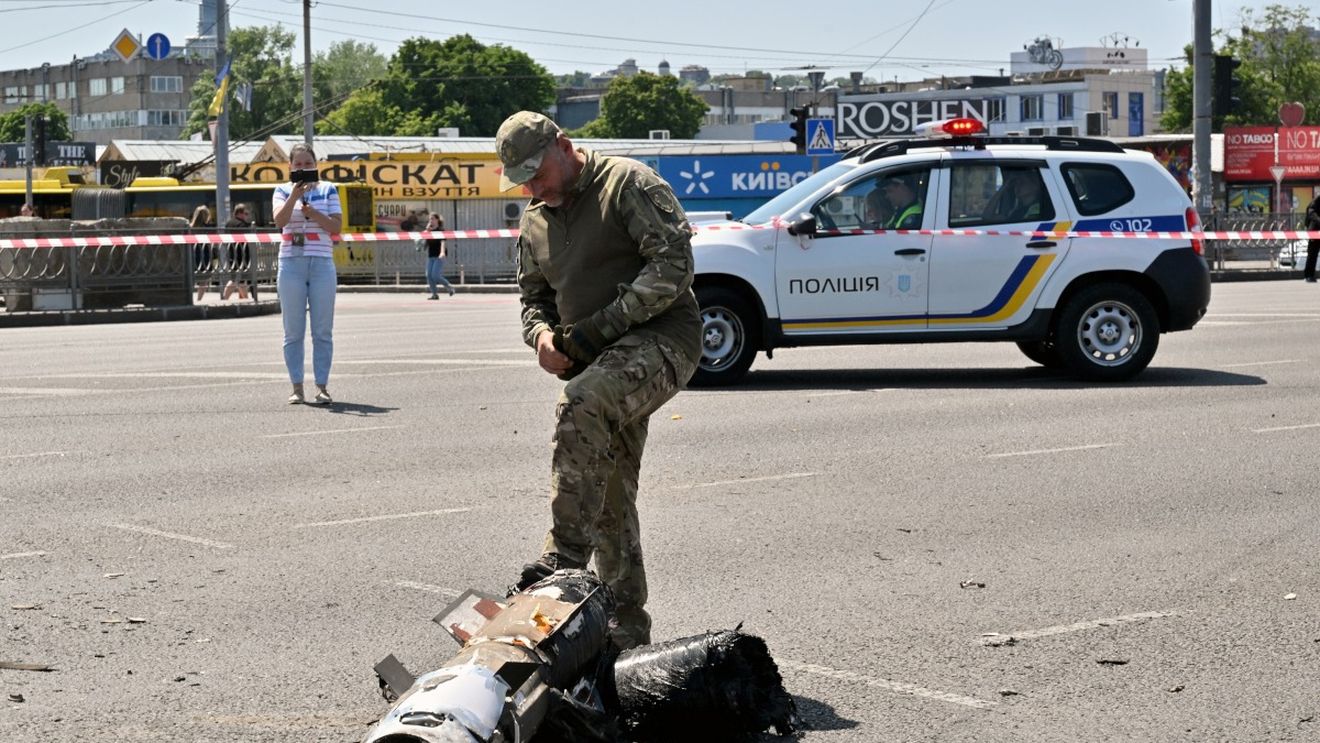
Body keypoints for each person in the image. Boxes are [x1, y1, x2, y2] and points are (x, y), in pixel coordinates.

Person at [500, 110, 701, 651]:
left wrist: (599, 328)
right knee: (609, 495)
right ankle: (624, 635)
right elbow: (533, 300)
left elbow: (673, 265)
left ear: (563, 146)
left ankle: (562, 558)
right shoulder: (535, 217)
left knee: (580, 401)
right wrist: (541, 337)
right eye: (522, 179)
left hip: (663, 342)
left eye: (537, 173)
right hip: (596, 359)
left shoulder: (627, 183)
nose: (532, 186)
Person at [274, 142, 342, 405]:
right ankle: (297, 387)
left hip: (322, 262)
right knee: (293, 330)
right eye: (298, 164)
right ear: (290, 167)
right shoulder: (280, 190)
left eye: (308, 164)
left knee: (322, 330)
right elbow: (280, 221)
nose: (303, 168)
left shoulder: (328, 189)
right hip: (291, 262)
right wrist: (294, 195)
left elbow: (336, 227)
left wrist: (312, 212)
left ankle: (322, 386)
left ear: (316, 165)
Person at [222, 204, 252, 301]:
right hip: (241, 254)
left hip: (231, 253)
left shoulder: (228, 223)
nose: (246, 216)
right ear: (240, 213)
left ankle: (245, 298)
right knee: (236, 279)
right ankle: (225, 298)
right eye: (245, 213)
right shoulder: (242, 225)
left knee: (240, 279)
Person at [423, 212, 455, 299]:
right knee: (429, 275)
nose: (431, 221)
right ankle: (434, 294)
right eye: (430, 219)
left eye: (432, 219)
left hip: (439, 255)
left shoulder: (441, 230)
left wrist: (442, 252)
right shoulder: (429, 231)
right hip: (431, 255)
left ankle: (449, 287)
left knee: (435, 275)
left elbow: (443, 242)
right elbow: (423, 242)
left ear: (437, 220)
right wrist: (427, 230)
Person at [191, 205, 214, 301]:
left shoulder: (190, 227)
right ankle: (199, 299)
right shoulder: (207, 228)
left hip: (192, 254)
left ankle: (190, 298)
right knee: (204, 279)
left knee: (192, 276)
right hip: (204, 254)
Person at [1304, 193, 1320, 283]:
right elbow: (1311, 211)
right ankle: (1309, 275)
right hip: (1315, 230)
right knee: (1312, 254)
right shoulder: (1317, 199)